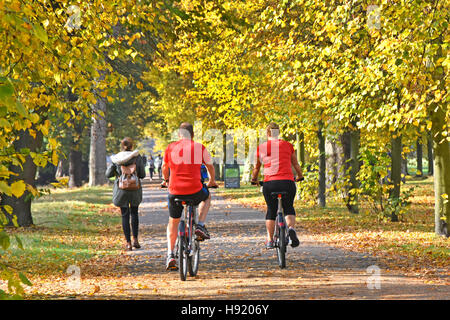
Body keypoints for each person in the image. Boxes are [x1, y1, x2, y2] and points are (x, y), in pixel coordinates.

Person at [161, 122, 218, 270]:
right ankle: (200, 225)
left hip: (175, 192)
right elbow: (210, 166)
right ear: (192, 135)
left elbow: (164, 167)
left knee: (173, 221)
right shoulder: (199, 147)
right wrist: (212, 180)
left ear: (179, 135)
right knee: (206, 197)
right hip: (195, 190)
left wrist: (166, 180)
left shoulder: (170, 147)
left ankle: (170, 254)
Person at [251, 122, 304, 249]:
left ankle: (270, 240)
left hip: (270, 183)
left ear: (267, 133)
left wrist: (254, 179)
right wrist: (300, 176)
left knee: (271, 209)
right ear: (278, 133)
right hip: (287, 182)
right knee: (288, 206)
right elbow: (296, 165)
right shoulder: (288, 145)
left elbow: (256, 168)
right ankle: (291, 228)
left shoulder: (261, 147)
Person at [106, 137, 146, 251]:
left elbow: (108, 174)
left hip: (121, 190)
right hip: (135, 190)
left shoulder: (116, 158)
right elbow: (142, 174)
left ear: (121, 146)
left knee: (124, 215)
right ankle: (136, 240)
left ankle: (128, 243)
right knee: (134, 213)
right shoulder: (137, 157)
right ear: (131, 146)